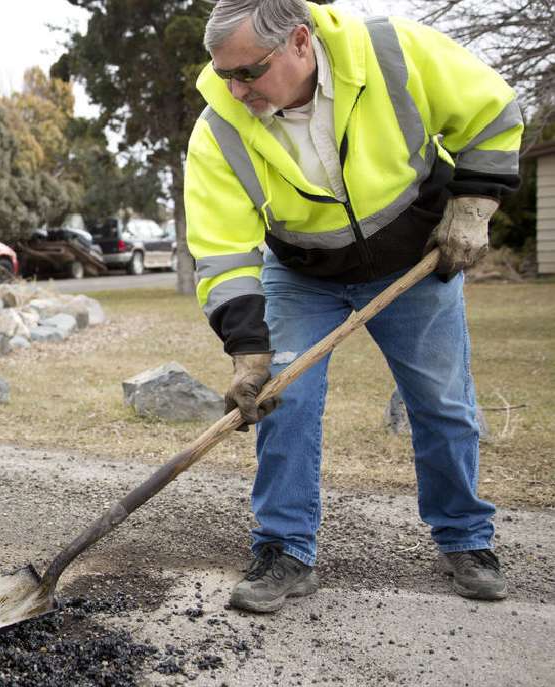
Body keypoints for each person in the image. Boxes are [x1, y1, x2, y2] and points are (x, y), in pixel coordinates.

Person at [184, 0, 522, 612]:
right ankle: (284, 549)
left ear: (300, 42)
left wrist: (473, 206)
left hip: (415, 261)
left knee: (443, 404)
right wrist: (249, 350)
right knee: (284, 402)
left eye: (249, 72)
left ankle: (466, 540)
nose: (235, 89)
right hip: (302, 276)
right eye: (225, 74)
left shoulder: (393, 53)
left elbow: (492, 110)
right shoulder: (220, 128)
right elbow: (222, 250)